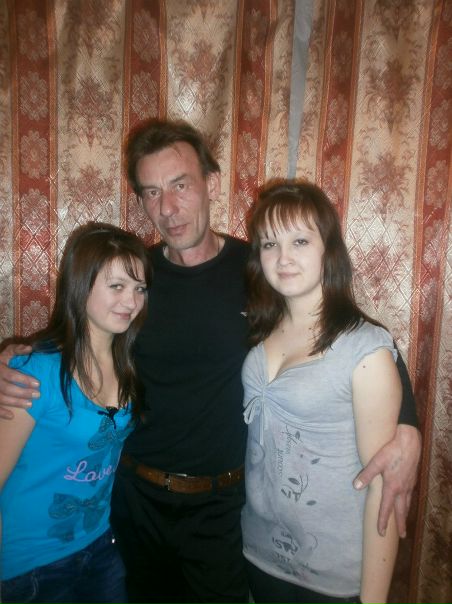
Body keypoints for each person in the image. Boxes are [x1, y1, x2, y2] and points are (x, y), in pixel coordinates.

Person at [0, 120, 421, 604]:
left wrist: (406, 423)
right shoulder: (138, 281)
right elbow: (80, 331)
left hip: (222, 509)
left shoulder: (259, 269)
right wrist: (15, 356)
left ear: (211, 184)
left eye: (180, 185)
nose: (168, 207)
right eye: (152, 192)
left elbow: (351, 333)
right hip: (134, 501)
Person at [241, 180, 403, 604]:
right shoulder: (258, 330)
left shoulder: (364, 350)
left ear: (328, 249)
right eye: (270, 243)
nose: (283, 257)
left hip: (331, 578)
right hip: (257, 556)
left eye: (299, 241)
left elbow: (382, 485)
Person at [0, 223, 150, 604]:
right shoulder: (36, 372)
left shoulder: (129, 364)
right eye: (117, 286)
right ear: (81, 286)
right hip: (32, 566)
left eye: (139, 288)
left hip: (99, 546)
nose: (131, 301)